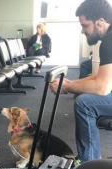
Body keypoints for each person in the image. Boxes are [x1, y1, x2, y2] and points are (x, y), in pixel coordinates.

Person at [50, 0, 112, 163]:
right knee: (84, 98)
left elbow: (102, 87)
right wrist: (70, 85)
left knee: (85, 103)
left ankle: (90, 162)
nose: (83, 31)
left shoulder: (109, 40)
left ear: (100, 22)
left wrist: (67, 87)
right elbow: (99, 76)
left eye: (85, 25)